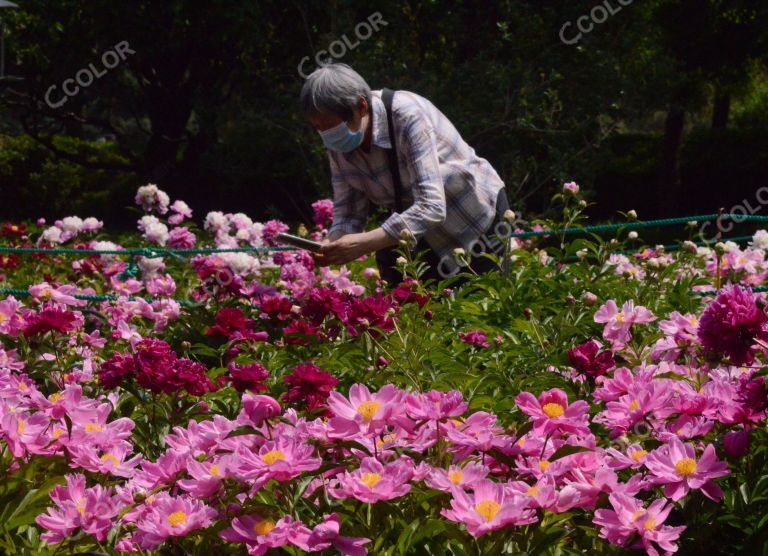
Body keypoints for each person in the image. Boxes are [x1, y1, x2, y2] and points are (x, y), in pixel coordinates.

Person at [300, 63, 509, 284]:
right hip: (418, 231)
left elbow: (432, 207)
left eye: (332, 127)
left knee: (483, 304)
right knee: (420, 311)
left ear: (361, 106)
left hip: (472, 219)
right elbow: (349, 210)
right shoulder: (338, 143)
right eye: (318, 128)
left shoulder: (406, 116)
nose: (327, 136)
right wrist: (333, 245)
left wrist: (364, 242)